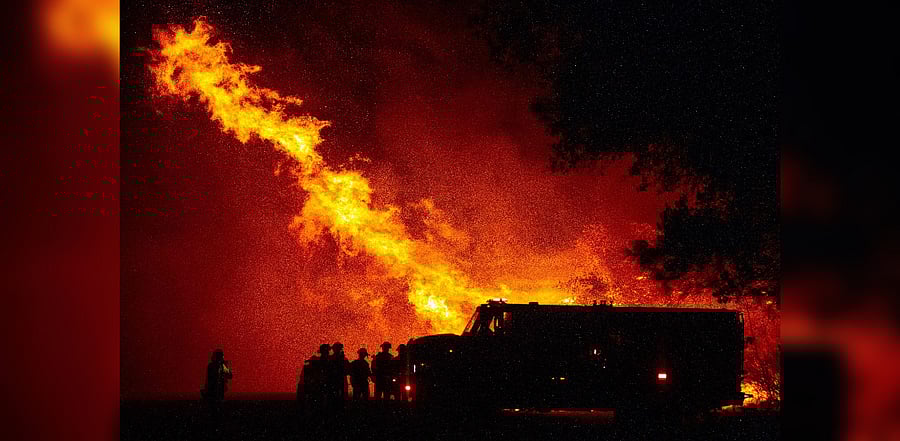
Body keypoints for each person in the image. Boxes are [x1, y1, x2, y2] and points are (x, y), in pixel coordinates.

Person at [202, 348, 233, 414]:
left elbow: (230, 375)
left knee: (216, 409)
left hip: (217, 390)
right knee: (215, 409)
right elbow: (209, 379)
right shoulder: (214, 366)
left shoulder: (219, 366)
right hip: (214, 390)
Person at [328, 342, 350, 407]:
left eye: (338, 348)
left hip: (339, 379)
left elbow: (348, 369)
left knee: (341, 397)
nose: (337, 349)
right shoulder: (331, 358)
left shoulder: (342, 359)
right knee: (335, 397)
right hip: (335, 380)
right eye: (336, 348)